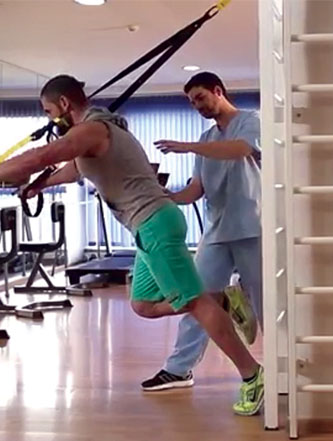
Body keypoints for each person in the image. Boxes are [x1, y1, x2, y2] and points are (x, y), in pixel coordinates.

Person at [0, 74, 263, 416]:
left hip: (156, 223)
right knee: (144, 305)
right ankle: (223, 299)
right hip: (147, 225)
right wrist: (39, 186)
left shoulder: (93, 130)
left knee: (195, 303)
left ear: (64, 104)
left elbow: (42, 155)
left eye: (49, 111)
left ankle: (252, 374)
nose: (50, 119)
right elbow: (73, 169)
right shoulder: (94, 134)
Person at [140, 71, 263, 392]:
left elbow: (241, 149)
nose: (197, 106)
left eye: (200, 98)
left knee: (266, 300)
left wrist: (187, 147)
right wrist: (165, 198)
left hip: (252, 226)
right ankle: (179, 369)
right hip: (217, 231)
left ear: (218, 91)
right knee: (198, 298)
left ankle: (284, 368)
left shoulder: (251, 121)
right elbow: (197, 188)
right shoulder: (206, 138)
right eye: (192, 102)